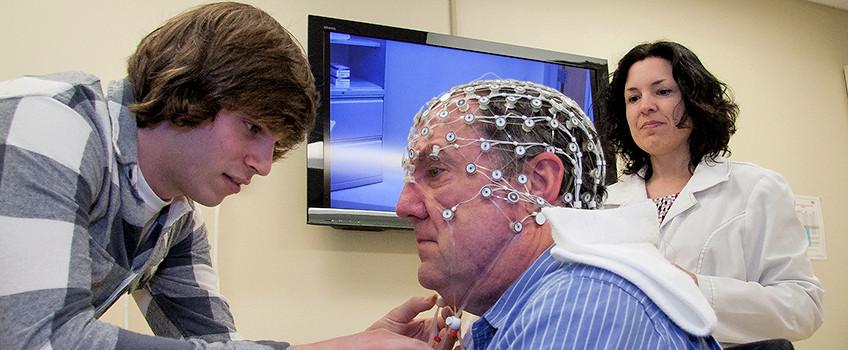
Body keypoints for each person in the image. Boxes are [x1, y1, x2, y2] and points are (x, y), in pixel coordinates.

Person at [0, 2, 435, 349]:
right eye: (251, 127)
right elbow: (40, 339)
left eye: (275, 144)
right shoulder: (51, 122)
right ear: (187, 89)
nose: (264, 165)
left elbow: (217, 346)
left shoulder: (175, 220)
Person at [396, 79, 722, 349]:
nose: (404, 207)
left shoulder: (582, 304)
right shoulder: (514, 313)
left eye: (436, 172)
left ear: (537, 182)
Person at [600, 40, 824, 345]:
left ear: (695, 99)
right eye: (633, 97)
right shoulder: (605, 204)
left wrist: (696, 290)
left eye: (662, 91)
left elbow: (803, 308)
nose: (645, 106)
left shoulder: (755, 189)